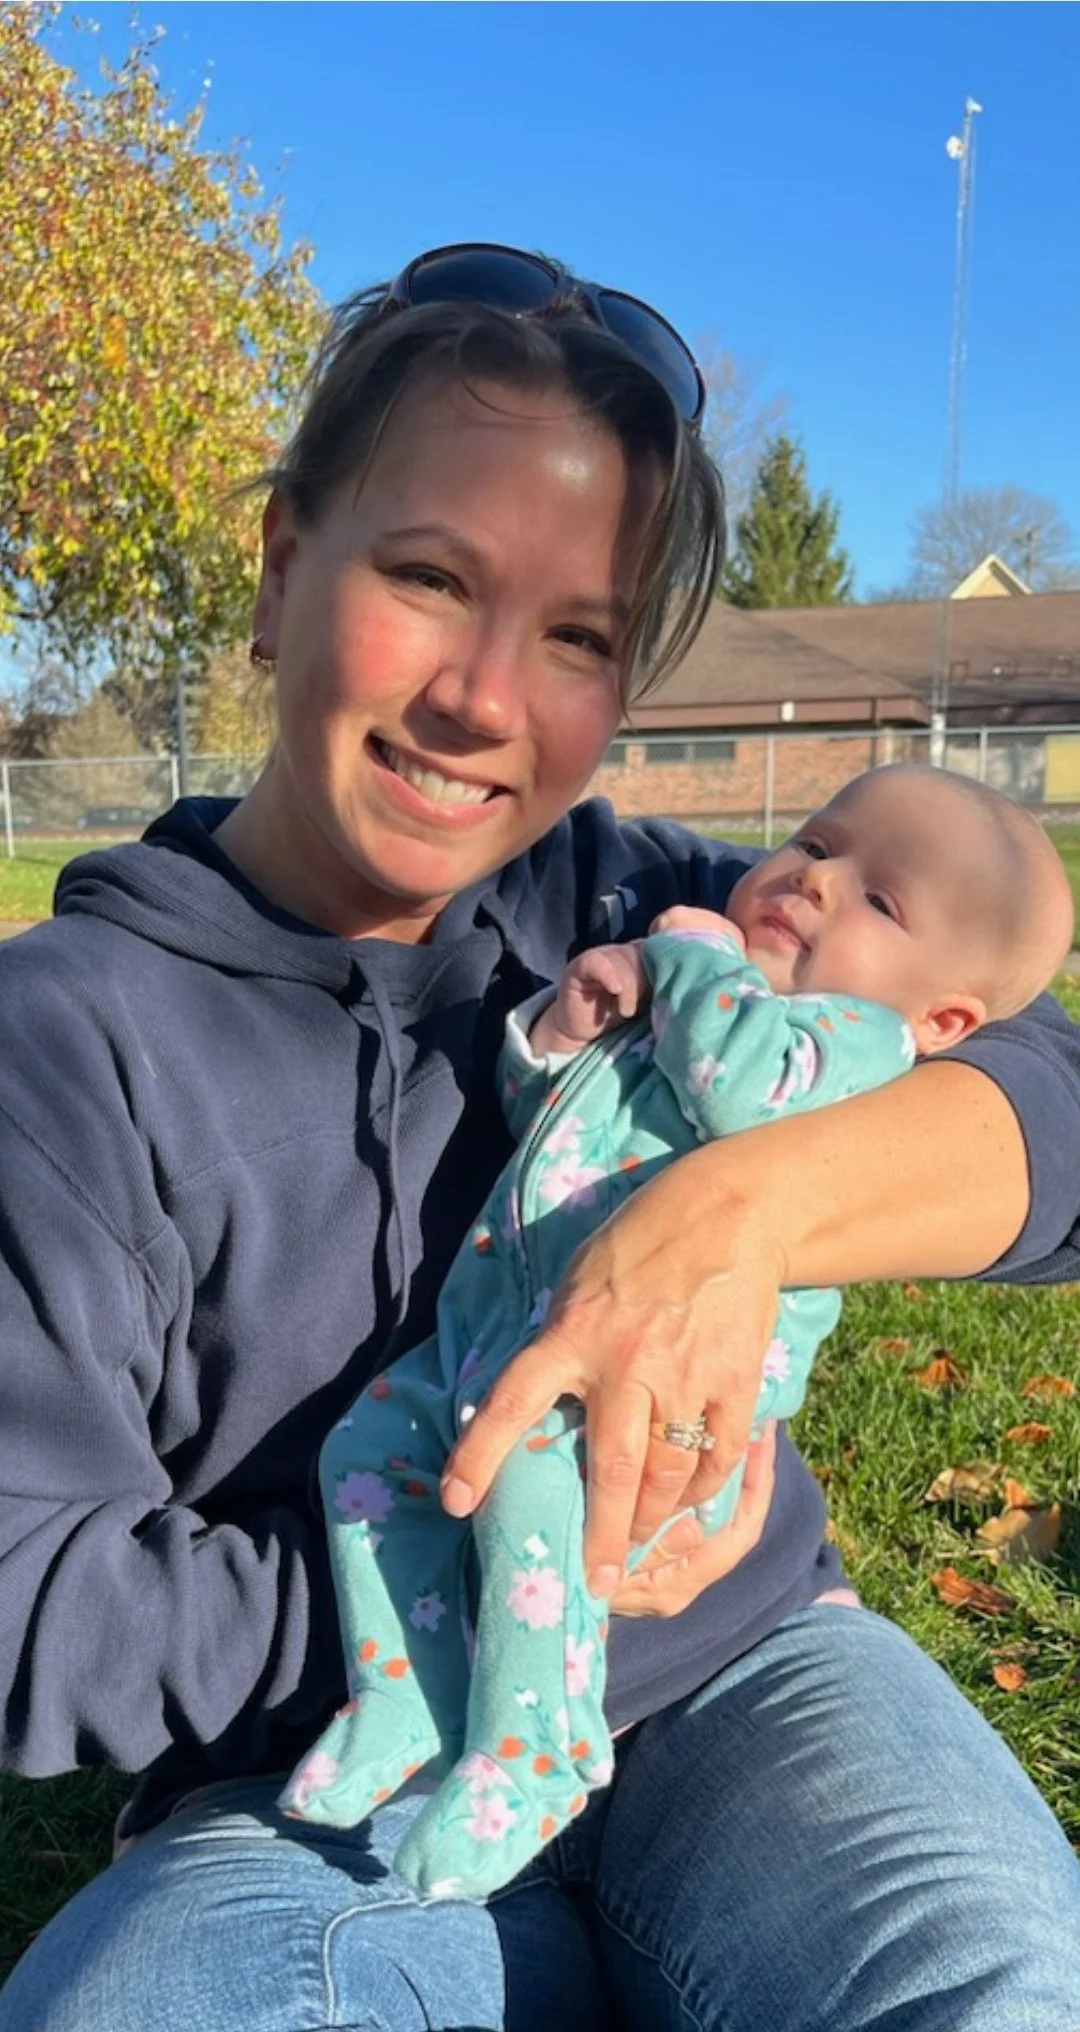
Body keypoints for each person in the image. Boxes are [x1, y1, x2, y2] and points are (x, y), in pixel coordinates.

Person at [0, 243, 1078, 2032]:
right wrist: (472, 1579)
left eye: (576, 634)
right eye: (431, 578)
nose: (485, 702)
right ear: (283, 570)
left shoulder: (642, 898)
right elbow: (35, 1606)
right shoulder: (64, 1043)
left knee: (1007, 1985)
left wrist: (750, 1202)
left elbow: (1044, 1089)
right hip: (320, 1778)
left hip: (746, 1679)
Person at [281, 763, 1073, 1901]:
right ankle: (401, 1690)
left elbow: (741, 1087)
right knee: (365, 1454)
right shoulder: (708, 997)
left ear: (943, 1015)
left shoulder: (849, 1043)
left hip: (641, 1415)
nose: (813, 881)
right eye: (814, 841)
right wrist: (561, 1034)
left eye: (880, 901)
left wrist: (686, 954)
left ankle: (535, 1750)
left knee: (529, 1492)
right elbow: (555, 1124)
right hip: (496, 1341)